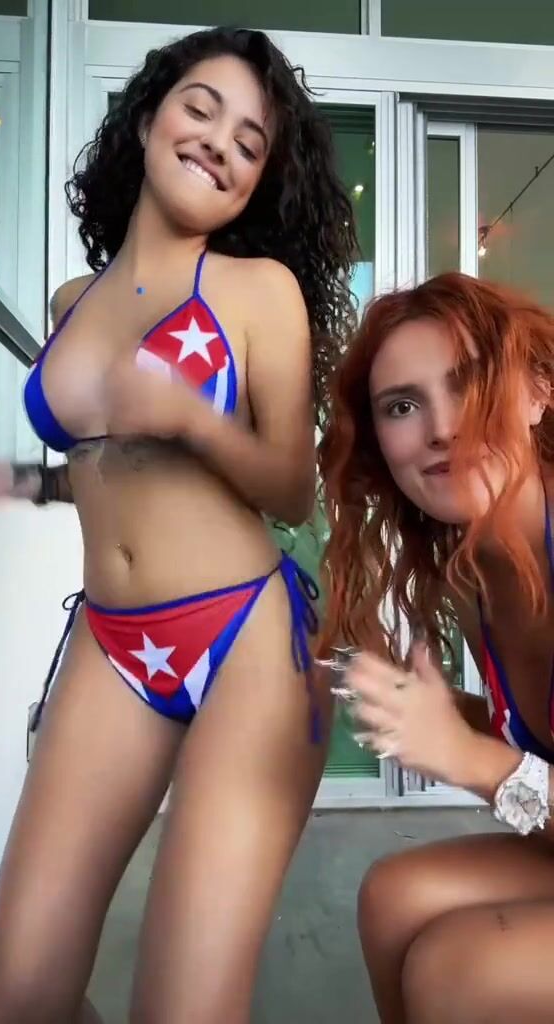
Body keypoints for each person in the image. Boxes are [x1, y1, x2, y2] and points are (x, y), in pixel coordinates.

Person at [0, 26, 356, 1024]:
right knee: (16, 998)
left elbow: (292, 488)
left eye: (250, 142)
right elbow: (107, 466)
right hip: (112, 640)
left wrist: (195, 417)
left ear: (260, 180)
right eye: (201, 109)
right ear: (148, 118)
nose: (220, 143)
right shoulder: (72, 300)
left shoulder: (258, 291)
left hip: (245, 639)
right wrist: (17, 481)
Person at [319, 272, 554, 1024]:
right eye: (402, 406)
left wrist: (469, 757)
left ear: (538, 393)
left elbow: (499, 767)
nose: (444, 429)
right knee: (393, 897)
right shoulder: (479, 564)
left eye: (470, 383)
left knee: (460, 972)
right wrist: (445, 713)